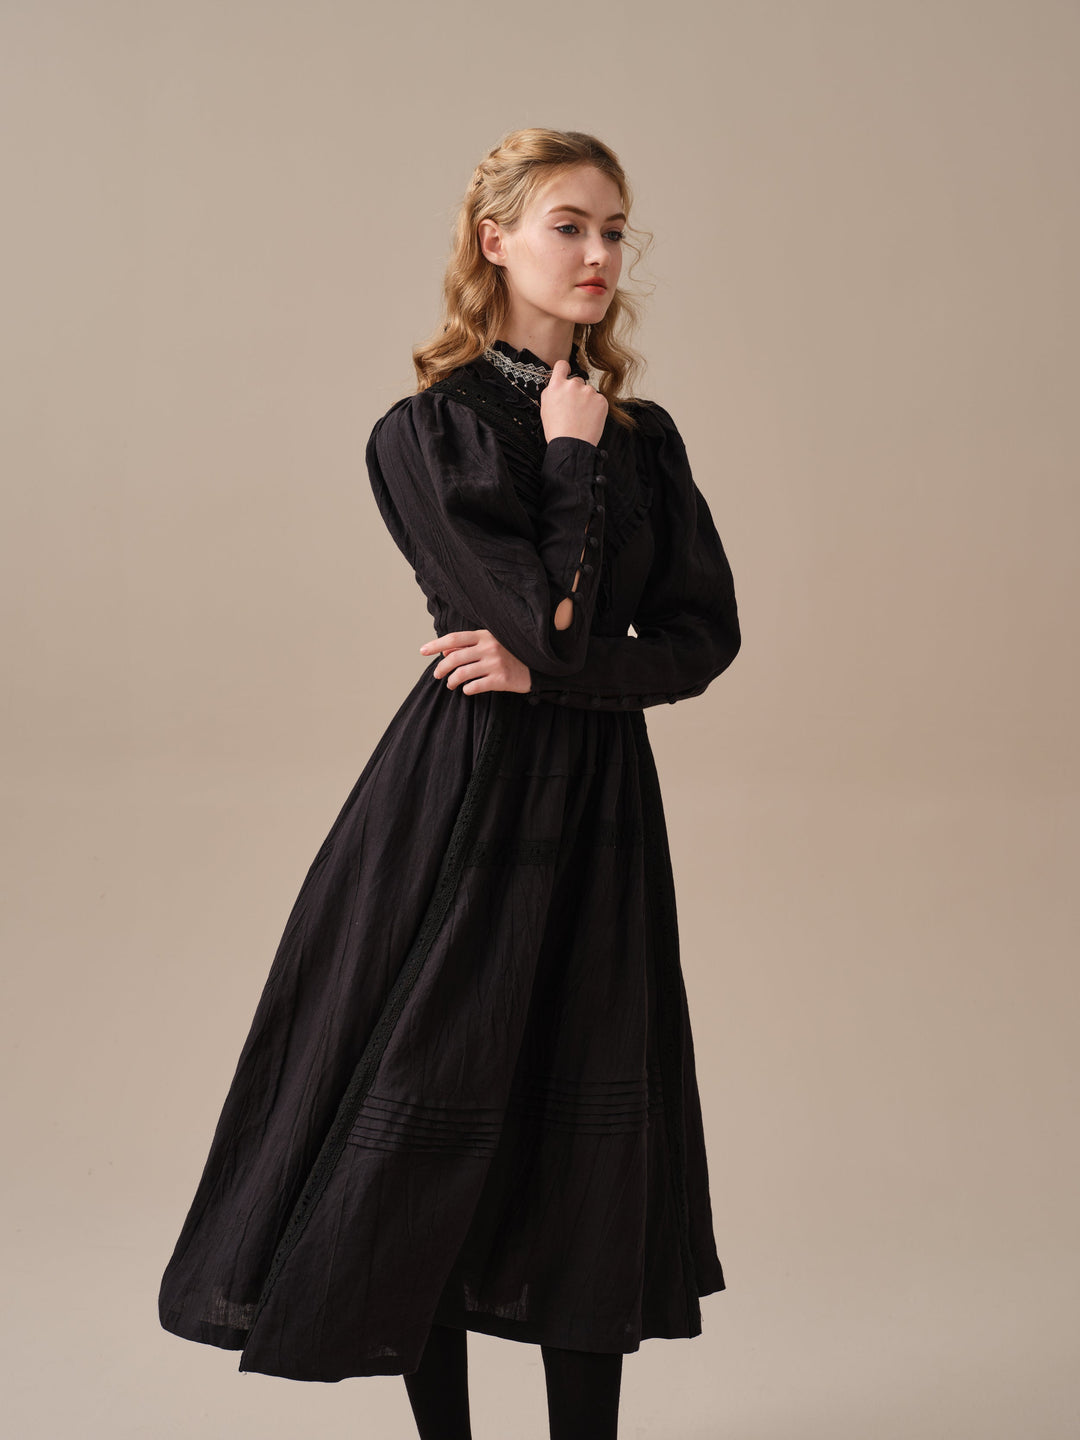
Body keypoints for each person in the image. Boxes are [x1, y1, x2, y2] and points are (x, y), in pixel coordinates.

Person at [158, 127, 741, 1440]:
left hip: (599, 814)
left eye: (613, 230)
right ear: (496, 240)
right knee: (435, 1109)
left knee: (588, 1136)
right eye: (567, 225)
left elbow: (698, 639)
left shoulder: (645, 439)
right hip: (464, 808)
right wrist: (567, 465)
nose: (597, 254)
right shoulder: (431, 430)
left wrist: (558, 664)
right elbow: (546, 627)